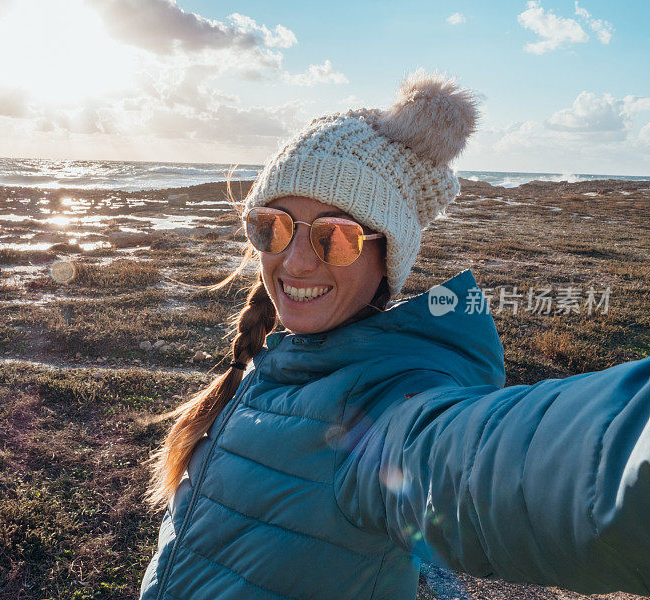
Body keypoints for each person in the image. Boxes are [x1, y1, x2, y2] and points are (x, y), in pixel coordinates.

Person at [139, 71, 650, 600]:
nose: (293, 261)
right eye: (273, 226)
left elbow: (499, 463)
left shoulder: (384, 412)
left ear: (388, 258)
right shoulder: (269, 365)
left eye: (335, 237)